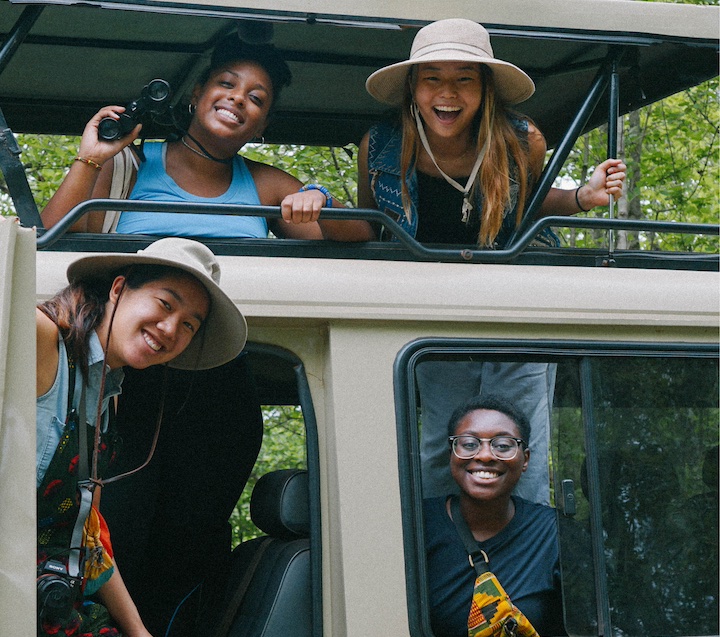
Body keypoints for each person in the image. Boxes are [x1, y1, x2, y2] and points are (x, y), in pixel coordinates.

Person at [36, 237, 247, 637]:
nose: (170, 329)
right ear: (118, 288)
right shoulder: (41, 336)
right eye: (165, 304)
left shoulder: (106, 398)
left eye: (189, 324)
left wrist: (138, 632)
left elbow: (87, 535)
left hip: (55, 608)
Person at [41, 36, 374, 242]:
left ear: (262, 125)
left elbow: (360, 240)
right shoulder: (128, 166)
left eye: (256, 99)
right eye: (227, 84)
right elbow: (48, 239)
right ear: (198, 93)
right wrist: (91, 158)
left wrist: (322, 200)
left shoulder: (267, 185)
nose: (238, 98)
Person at [358, 18, 625, 246]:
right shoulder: (379, 145)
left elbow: (529, 203)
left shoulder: (524, 141)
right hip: (405, 286)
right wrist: (322, 198)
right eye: (432, 78)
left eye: (464, 78)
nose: (448, 92)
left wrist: (583, 197)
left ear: (486, 88)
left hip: (501, 287)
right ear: (413, 87)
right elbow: (365, 229)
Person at [423, 395, 564, 637]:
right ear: (451, 454)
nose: (486, 456)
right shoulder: (418, 524)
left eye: (502, 445)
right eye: (469, 444)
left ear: (525, 459)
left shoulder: (552, 532)